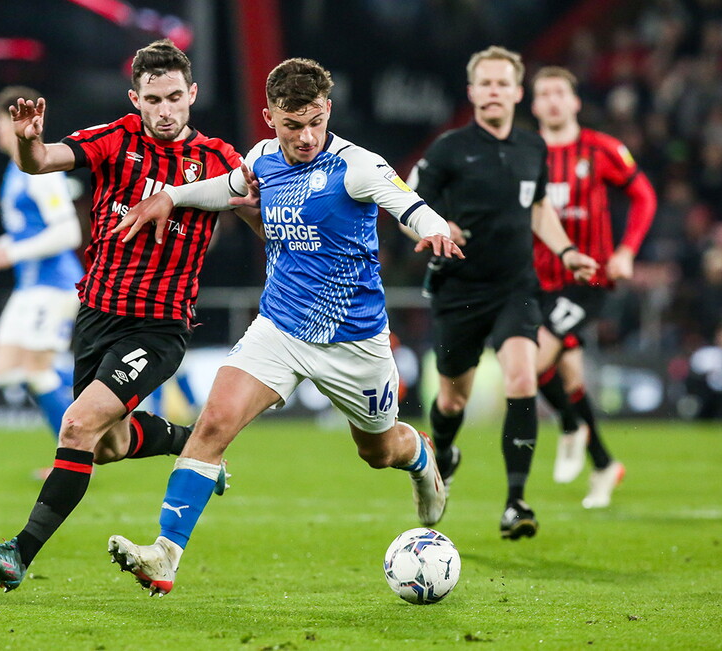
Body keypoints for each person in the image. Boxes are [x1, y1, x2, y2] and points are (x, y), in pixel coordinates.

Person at [104, 57, 464, 596]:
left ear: (328, 112)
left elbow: (408, 204)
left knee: (378, 452)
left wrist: (434, 229)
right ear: (270, 117)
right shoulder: (262, 159)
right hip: (280, 327)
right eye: (292, 125)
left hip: (354, 342)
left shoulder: (358, 165)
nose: (306, 136)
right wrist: (172, 196)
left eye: (315, 122)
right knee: (213, 424)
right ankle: (165, 556)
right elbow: (227, 188)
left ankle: (420, 456)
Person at [0, 39, 244, 592]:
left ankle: (19, 553)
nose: (164, 111)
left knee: (75, 425)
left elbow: (257, 208)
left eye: (174, 98)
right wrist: (27, 144)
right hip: (95, 317)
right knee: (109, 444)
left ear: (191, 94)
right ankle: (193, 444)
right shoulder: (115, 139)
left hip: (158, 326)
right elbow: (43, 160)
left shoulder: (219, 160)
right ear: (134, 99)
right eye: (152, 99)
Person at [408, 46, 598, 540]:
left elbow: (537, 210)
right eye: (484, 84)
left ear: (517, 92)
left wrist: (568, 251)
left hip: (516, 287)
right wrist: (435, 225)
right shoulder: (450, 148)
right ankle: (444, 454)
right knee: (452, 402)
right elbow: (407, 200)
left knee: (522, 378)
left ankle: (516, 502)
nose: (493, 91)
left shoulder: (533, 148)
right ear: (472, 93)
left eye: (502, 83)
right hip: (459, 290)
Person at [530, 66, 656, 507]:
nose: (551, 100)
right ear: (533, 105)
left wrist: (626, 251)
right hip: (537, 280)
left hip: (589, 280)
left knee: (534, 358)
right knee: (569, 376)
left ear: (575, 101)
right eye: (543, 93)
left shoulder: (602, 149)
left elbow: (644, 195)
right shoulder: (526, 153)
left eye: (559, 92)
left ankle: (569, 426)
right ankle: (603, 465)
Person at [0, 85, 84, 444]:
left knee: (35, 370)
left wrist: (13, 253)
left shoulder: (42, 169)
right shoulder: (15, 170)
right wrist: (1, 246)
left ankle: (76, 450)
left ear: (13, 122)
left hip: (54, 285)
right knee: (8, 369)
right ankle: (86, 421)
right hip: (32, 287)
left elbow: (68, 231)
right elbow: (29, 230)